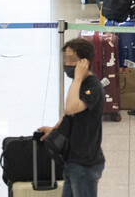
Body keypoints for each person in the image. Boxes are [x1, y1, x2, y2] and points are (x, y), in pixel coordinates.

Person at [37, 38, 104, 197]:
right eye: (65, 59)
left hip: (85, 164)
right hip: (72, 160)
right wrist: (54, 129)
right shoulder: (79, 84)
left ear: (84, 62)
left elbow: (70, 108)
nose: (67, 64)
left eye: (71, 60)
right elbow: (71, 117)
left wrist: (78, 78)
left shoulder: (92, 87)